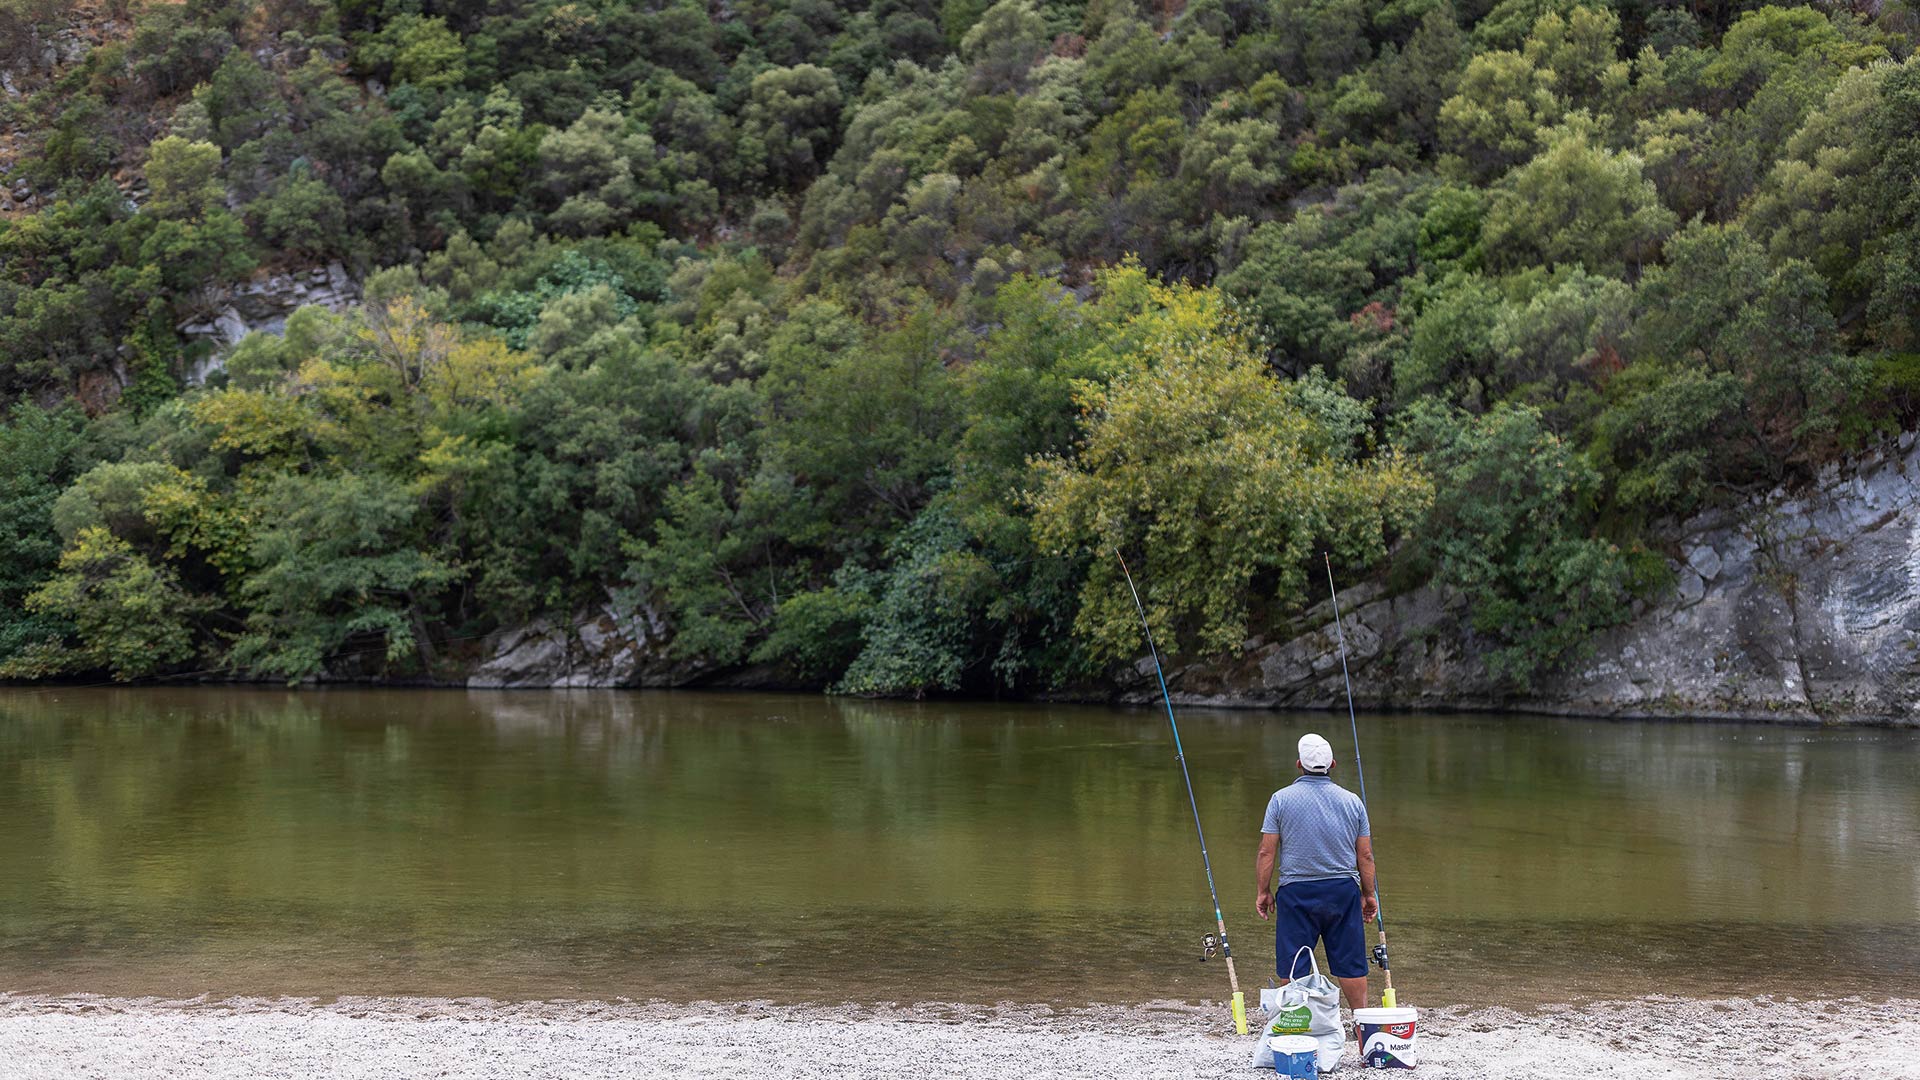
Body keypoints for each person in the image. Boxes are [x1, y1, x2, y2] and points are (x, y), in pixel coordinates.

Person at [1254, 732, 1377, 1010]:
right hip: (1342, 892)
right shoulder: (1353, 802)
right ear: (1332, 764)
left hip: (1296, 893)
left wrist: (1263, 891)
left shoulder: (1280, 800)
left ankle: (1297, 1024)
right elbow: (1365, 855)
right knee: (1350, 964)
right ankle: (1361, 1022)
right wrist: (1369, 894)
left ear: (1299, 764)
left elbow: (1266, 851)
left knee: (1294, 963)